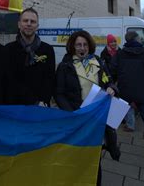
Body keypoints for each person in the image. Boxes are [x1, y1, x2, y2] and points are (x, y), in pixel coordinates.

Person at [55, 30, 120, 186]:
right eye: (78, 45)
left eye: (84, 44)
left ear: (89, 46)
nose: (82, 48)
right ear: (72, 46)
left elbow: (108, 80)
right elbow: (59, 94)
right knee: (77, 157)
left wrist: (112, 88)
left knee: (94, 159)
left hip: (97, 119)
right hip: (77, 119)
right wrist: (73, 114)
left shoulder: (99, 61)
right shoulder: (65, 66)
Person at [111, 31, 144, 168]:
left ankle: (109, 149)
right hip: (143, 94)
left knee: (111, 122)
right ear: (137, 40)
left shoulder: (120, 54)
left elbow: (112, 72)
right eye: (140, 38)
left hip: (124, 94)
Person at [4, 8, 56, 106]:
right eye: (25, 21)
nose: (29, 24)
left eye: (32, 21)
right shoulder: (8, 49)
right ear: (19, 24)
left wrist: (43, 101)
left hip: (41, 107)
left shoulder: (47, 50)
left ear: (37, 26)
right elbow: (10, 81)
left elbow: (50, 79)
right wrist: (33, 101)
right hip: (15, 107)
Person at [101, 34, 135, 132]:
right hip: (109, 81)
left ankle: (128, 122)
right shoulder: (104, 53)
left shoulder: (121, 52)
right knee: (112, 100)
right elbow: (103, 68)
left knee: (124, 100)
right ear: (108, 43)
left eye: (114, 41)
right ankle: (112, 120)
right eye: (111, 42)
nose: (113, 43)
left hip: (121, 79)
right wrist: (109, 81)